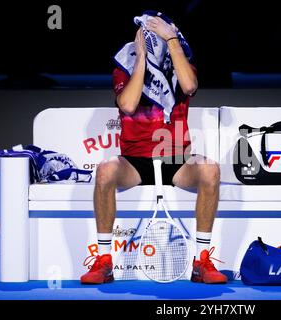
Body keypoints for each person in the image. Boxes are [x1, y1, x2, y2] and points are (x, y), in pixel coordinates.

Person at [80, 12, 227, 284]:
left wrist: (171, 39)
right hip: (134, 161)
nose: (154, 40)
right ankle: (103, 261)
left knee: (210, 170)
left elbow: (190, 85)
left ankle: (202, 260)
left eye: (159, 35)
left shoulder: (183, 65)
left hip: (177, 159)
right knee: (104, 172)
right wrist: (141, 61)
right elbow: (127, 105)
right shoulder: (125, 66)